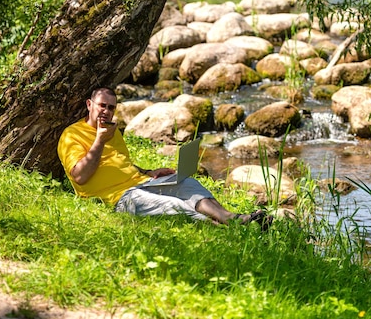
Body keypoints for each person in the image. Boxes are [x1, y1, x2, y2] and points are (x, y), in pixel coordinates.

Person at [57, 87, 271, 228]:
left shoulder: (113, 131)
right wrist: (99, 141)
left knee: (187, 183)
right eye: (101, 105)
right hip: (118, 197)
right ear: (89, 105)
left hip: (141, 183)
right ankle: (225, 230)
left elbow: (119, 161)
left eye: (111, 107)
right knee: (173, 206)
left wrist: (148, 172)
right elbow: (79, 176)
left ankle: (233, 219)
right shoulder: (72, 135)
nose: (106, 111)